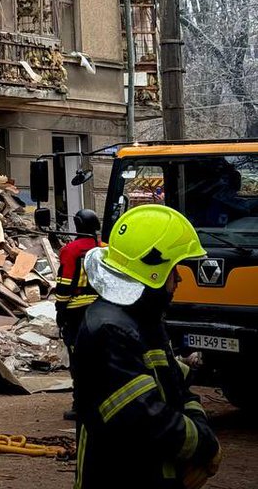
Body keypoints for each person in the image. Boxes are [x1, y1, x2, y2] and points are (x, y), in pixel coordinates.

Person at [72, 205, 221, 489]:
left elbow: (180, 387)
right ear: (154, 271)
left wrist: (202, 441)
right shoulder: (111, 330)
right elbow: (144, 420)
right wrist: (206, 446)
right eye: (174, 269)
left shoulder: (143, 320)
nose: (179, 278)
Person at [55, 208, 102, 421]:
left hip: (76, 312)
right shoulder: (104, 249)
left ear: (78, 225)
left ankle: (81, 405)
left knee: (79, 361)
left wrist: (60, 310)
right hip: (101, 309)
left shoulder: (70, 250)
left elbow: (64, 285)